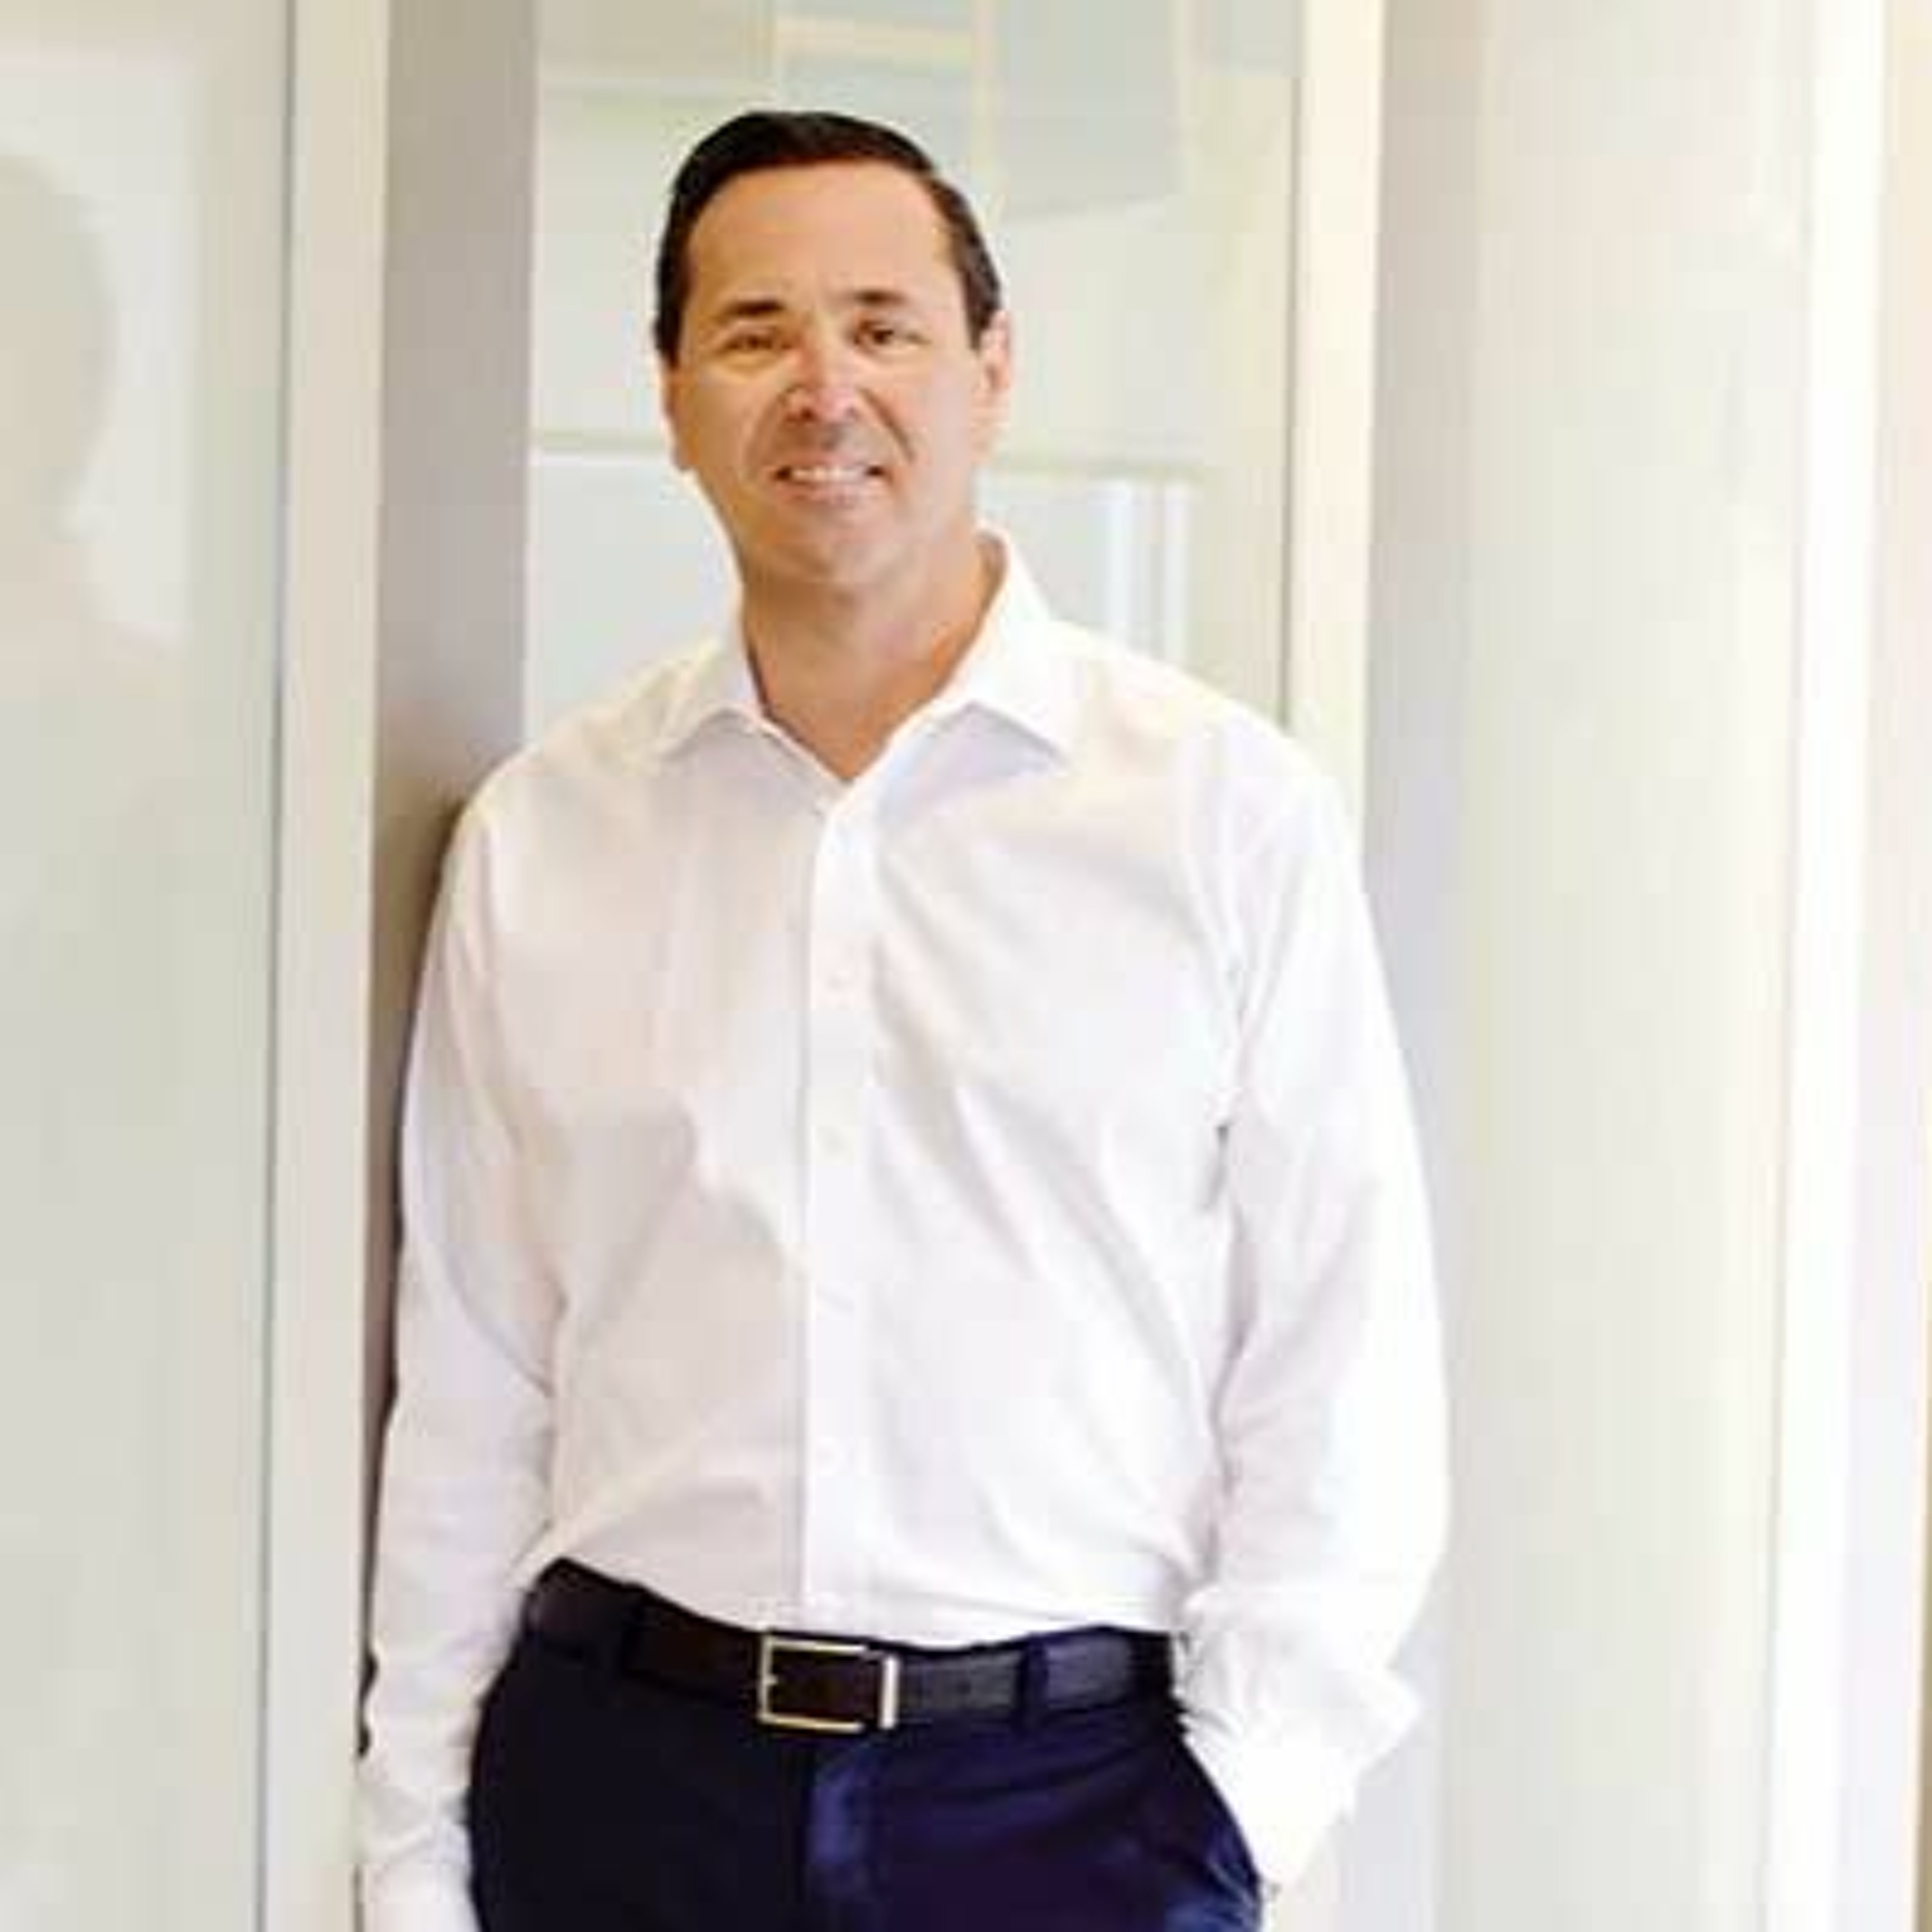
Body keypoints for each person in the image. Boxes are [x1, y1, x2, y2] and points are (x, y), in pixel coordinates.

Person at [357, 108, 1447, 1932]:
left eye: (884, 326)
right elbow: (474, 1378)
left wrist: (1238, 1811)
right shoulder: (545, 836)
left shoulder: (1220, 812)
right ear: (671, 393)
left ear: (991, 369)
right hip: (621, 1787)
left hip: (1073, 1810)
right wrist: (415, 1853)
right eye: (756, 331)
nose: (826, 387)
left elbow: (1341, 1349)